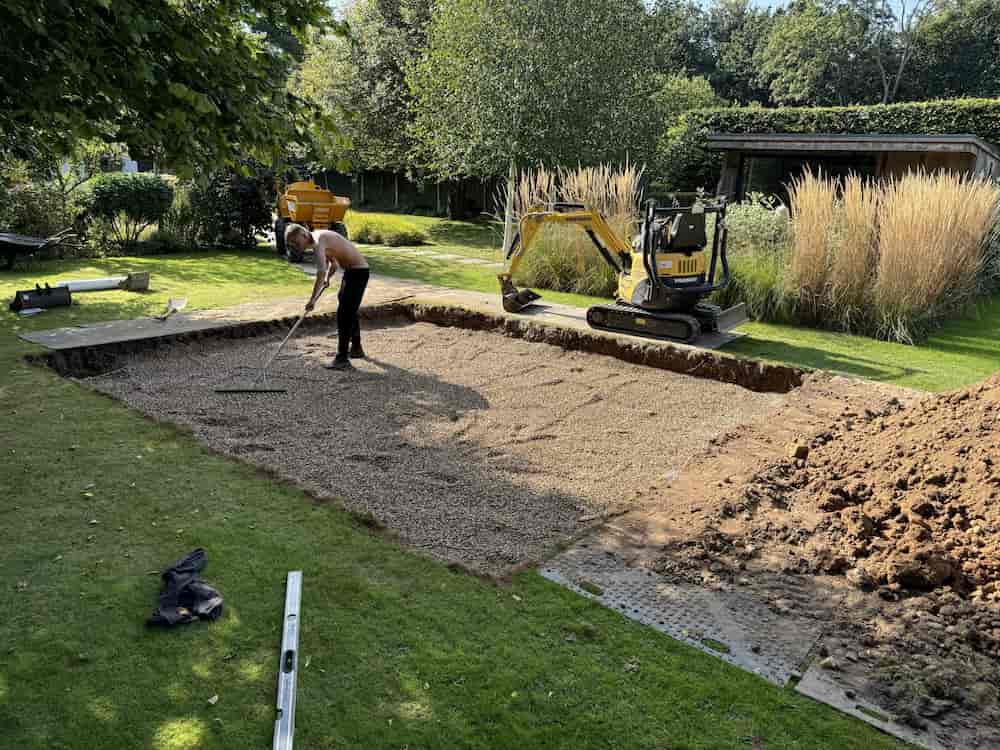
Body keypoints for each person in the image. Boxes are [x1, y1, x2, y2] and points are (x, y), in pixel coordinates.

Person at [284, 223, 370, 370]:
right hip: (352, 272)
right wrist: (328, 279)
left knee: (344, 313)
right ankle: (356, 348)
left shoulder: (318, 242)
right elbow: (334, 264)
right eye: (293, 245)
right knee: (347, 306)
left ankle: (342, 358)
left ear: (303, 235)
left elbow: (320, 272)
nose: (297, 247)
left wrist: (312, 300)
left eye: (297, 242)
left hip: (358, 273)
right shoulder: (320, 238)